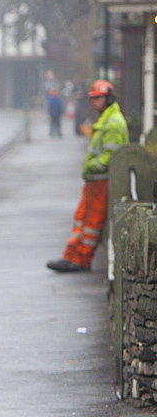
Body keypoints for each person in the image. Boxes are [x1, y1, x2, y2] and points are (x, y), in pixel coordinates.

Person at [47, 79, 129, 273]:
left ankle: (81, 259)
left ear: (108, 98)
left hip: (101, 180)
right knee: (82, 219)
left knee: (91, 222)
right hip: (94, 181)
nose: (93, 102)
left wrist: (91, 167)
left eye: (98, 98)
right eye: (92, 98)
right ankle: (72, 257)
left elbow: (110, 156)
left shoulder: (113, 123)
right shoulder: (106, 119)